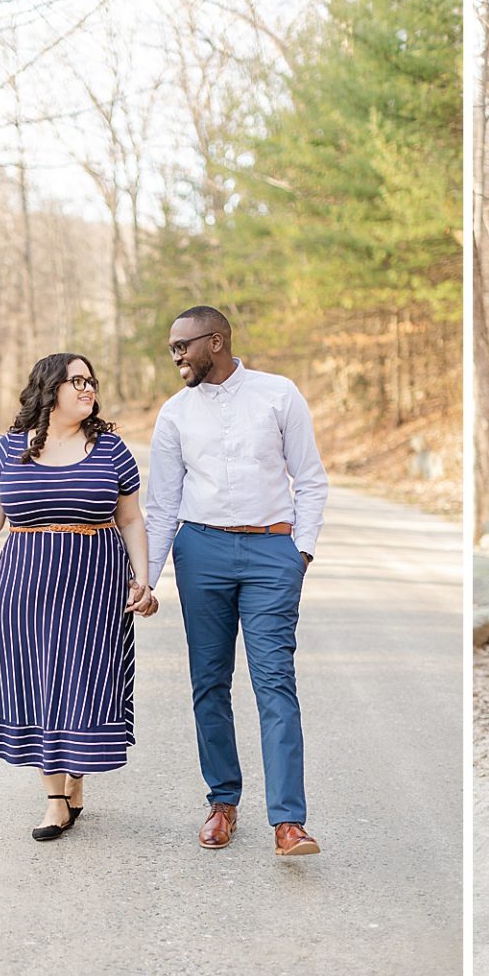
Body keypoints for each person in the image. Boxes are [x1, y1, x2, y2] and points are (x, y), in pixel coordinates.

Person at [137, 305, 329, 857]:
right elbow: (163, 503)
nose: (176, 356)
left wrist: (302, 551)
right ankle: (223, 802)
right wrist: (148, 579)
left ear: (215, 342)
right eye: (172, 347)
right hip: (203, 553)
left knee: (274, 682)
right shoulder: (174, 415)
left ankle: (289, 822)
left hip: (273, 551)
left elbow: (310, 478)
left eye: (183, 346)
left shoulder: (278, 394)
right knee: (209, 683)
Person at [0, 353, 151, 841]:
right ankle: (55, 799)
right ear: (49, 388)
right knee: (39, 684)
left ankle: (74, 777)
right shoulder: (6, 451)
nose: (87, 388)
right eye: (76, 380)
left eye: (91, 381)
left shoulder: (112, 450)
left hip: (94, 584)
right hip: (25, 585)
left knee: (80, 685)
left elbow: (130, 519)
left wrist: (144, 578)